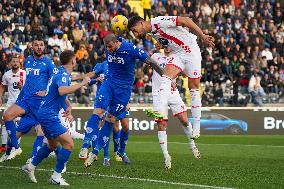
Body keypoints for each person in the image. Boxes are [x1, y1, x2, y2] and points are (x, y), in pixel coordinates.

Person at [82, 33, 162, 167]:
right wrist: (83, 79)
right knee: (98, 111)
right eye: (106, 47)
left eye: (110, 46)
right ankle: (86, 145)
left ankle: (96, 152)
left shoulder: (130, 49)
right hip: (109, 85)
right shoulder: (108, 50)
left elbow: (149, 60)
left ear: (116, 42)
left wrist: (165, 75)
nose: (108, 49)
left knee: (111, 120)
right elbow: (94, 74)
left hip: (123, 91)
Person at [128, 15, 215, 139]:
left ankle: (196, 125)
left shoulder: (158, 21)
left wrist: (202, 36)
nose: (135, 34)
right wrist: (162, 45)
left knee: (194, 87)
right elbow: (170, 41)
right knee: (165, 79)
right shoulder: (152, 33)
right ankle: (159, 110)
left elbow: (186, 20)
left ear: (141, 23)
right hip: (177, 54)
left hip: (190, 51)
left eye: (134, 30)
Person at [22, 50, 90, 186]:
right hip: (48, 114)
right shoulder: (63, 74)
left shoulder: (59, 71)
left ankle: (30, 166)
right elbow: (61, 90)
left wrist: (68, 105)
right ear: (73, 60)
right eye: (75, 59)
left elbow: (55, 92)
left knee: (52, 145)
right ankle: (56, 176)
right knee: (69, 144)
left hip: (44, 112)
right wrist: (82, 83)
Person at [1, 37, 56, 161]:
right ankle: (13, 149)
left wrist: (46, 91)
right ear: (32, 47)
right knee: (7, 116)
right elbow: (28, 82)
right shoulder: (28, 61)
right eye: (36, 45)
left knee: (42, 132)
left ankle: (33, 160)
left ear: (44, 47)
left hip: (38, 103)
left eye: (41, 45)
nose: (39, 47)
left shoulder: (48, 63)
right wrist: (20, 95)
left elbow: (54, 80)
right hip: (25, 100)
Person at [146, 44, 200, 169]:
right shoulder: (156, 56)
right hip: (158, 94)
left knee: (184, 120)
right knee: (161, 124)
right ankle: (166, 156)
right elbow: (147, 63)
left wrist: (178, 76)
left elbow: (186, 73)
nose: (167, 47)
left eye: (168, 45)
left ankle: (192, 145)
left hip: (172, 93)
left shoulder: (178, 57)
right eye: (164, 45)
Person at [78, 60, 130, 166]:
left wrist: (127, 101)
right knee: (110, 126)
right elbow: (91, 79)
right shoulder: (102, 65)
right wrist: (94, 79)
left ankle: (120, 151)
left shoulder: (123, 63)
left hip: (120, 97)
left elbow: (126, 82)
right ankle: (104, 155)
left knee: (125, 127)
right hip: (105, 98)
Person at [0, 56, 26, 153]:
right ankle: (3, 145)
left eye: (17, 62)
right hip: (10, 102)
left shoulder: (24, 73)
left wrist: (21, 87)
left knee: (18, 125)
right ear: (10, 63)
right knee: (4, 121)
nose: (15, 63)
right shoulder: (6, 74)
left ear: (20, 64)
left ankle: (15, 146)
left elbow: (28, 88)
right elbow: (2, 87)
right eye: (13, 61)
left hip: (21, 102)